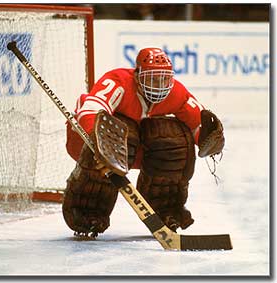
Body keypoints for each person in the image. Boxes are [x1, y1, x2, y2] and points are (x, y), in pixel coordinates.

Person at [63, 47, 224, 238]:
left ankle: (166, 209)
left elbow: (199, 126)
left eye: (164, 79)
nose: (160, 84)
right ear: (137, 76)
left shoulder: (176, 93)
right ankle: (87, 211)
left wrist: (208, 140)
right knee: (123, 128)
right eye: (153, 79)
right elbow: (90, 110)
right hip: (86, 141)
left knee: (174, 138)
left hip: (131, 149)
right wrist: (100, 143)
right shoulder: (119, 82)